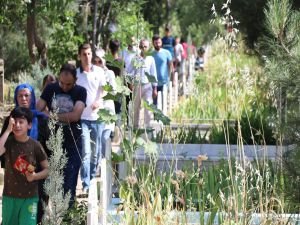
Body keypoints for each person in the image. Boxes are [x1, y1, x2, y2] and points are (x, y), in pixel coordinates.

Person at [37, 63, 87, 205]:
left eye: (69, 84)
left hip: (72, 144)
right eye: (62, 83)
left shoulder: (80, 91)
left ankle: (67, 218)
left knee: (69, 187)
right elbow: (38, 108)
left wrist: (51, 115)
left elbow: (76, 115)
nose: (64, 87)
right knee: (46, 186)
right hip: (50, 144)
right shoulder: (51, 88)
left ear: (75, 81)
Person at [0, 83, 49, 224]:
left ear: (32, 97)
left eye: (27, 95)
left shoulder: (41, 119)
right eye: (20, 95)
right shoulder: (11, 121)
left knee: (34, 214)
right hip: (14, 176)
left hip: (36, 174)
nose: (23, 98)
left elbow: (48, 149)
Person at [76, 43, 106, 193]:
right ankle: (86, 184)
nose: (87, 57)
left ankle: (93, 179)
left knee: (96, 152)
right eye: (84, 54)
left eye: (89, 54)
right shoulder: (76, 74)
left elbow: (104, 90)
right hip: (82, 119)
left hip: (98, 118)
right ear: (79, 56)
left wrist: (99, 101)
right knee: (86, 152)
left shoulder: (99, 72)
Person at [127, 38, 157, 128]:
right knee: (136, 107)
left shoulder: (151, 59)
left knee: (148, 107)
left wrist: (155, 88)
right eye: (141, 46)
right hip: (137, 85)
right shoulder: (135, 58)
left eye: (145, 46)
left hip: (147, 86)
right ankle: (135, 126)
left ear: (148, 47)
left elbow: (153, 73)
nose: (143, 48)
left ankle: (148, 127)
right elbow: (128, 71)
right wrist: (130, 84)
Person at [94, 49, 116, 163]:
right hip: (95, 112)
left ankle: (105, 164)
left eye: (100, 61)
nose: (97, 64)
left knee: (104, 139)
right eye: (95, 61)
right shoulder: (91, 74)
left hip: (107, 110)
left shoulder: (109, 74)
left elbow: (114, 92)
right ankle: (99, 165)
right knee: (96, 139)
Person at [152, 34, 173, 111]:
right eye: (156, 43)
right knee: (155, 103)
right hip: (154, 83)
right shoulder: (151, 54)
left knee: (164, 101)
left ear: (161, 43)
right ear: (153, 43)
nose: (158, 44)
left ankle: (163, 118)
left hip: (164, 82)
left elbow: (171, 65)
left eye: (159, 42)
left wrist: (171, 78)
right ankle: (155, 118)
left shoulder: (166, 53)